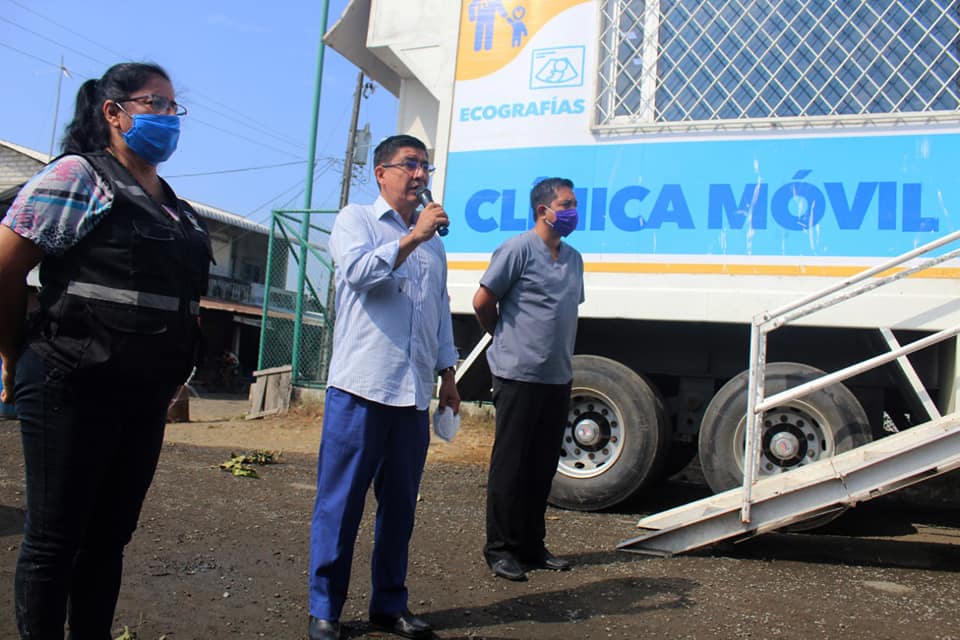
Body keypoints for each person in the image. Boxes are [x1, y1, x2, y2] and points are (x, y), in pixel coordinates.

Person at [0, 62, 209, 637]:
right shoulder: (79, 177)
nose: (168, 117)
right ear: (114, 113)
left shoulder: (175, 208)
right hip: (70, 381)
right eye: (154, 104)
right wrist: (12, 352)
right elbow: (6, 266)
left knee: (109, 538)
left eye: (173, 107)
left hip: (141, 396)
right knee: (55, 539)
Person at [308, 134, 460, 640]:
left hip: (412, 396)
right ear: (381, 173)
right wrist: (413, 236)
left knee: (399, 509)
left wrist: (448, 375)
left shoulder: (434, 244)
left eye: (425, 166)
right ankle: (325, 609)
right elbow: (357, 273)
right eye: (409, 164)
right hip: (360, 389)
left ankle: (389, 605)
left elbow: (439, 310)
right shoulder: (356, 220)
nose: (420, 175)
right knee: (340, 505)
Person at [473, 177, 585, 582]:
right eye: (566, 205)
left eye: (574, 204)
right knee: (511, 465)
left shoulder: (573, 259)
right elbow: (482, 301)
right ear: (543, 210)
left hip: (557, 376)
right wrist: (504, 337)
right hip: (517, 374)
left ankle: (531, 545)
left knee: (541, 466)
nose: (573, 212)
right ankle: (501, 549)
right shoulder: (517, 249)